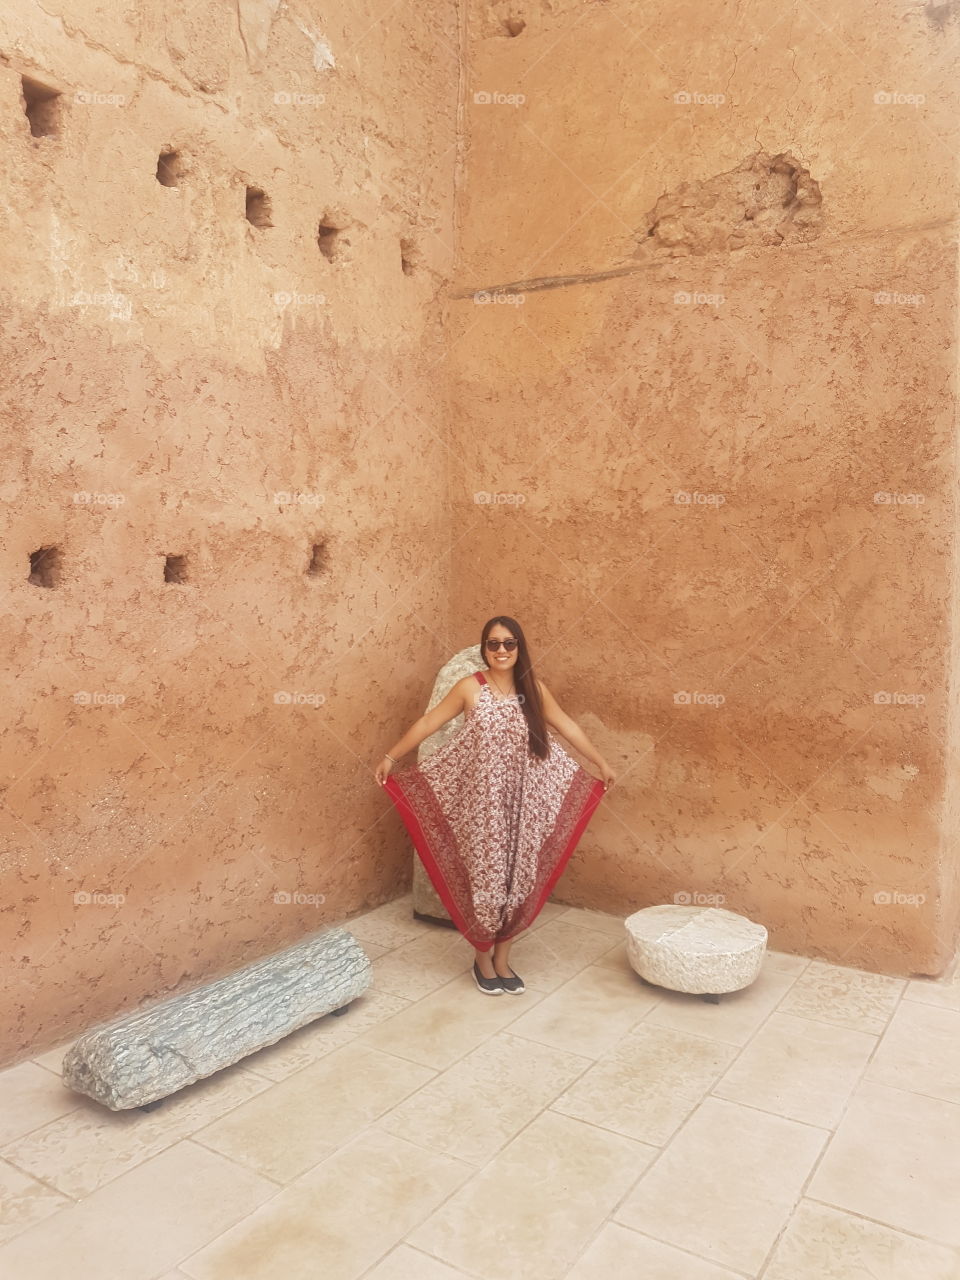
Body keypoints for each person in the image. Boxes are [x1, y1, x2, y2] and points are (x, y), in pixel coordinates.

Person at [374, 616, 616, 996]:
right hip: (485, 808)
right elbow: (429, 723)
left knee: (517, 879)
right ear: (484, 648)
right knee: (488, 880)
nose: (501, 651)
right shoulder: (471, 688)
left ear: (520, 648)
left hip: (524, 804)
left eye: (509, 643)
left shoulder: (532, 689)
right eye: (493, 644)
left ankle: (503, 959)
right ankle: (482, 958)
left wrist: (600, 762)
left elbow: (567, 726)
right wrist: (391, 756)